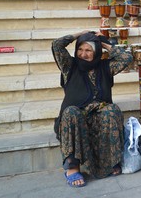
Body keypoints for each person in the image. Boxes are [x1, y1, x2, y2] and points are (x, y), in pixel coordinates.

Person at [52, 30, 133, 188]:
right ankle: (72, 168)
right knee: (70, 112)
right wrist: (80, 34)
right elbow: (57, 45)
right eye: (80, 49)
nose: (83, 54)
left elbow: (126, 58)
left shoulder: (106, 67)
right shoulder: (69, 66)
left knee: (112, 110)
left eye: (89, 50)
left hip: (97, 118)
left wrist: (103, 43)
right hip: (76, 119)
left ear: (97, 52)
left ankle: (108, 163)